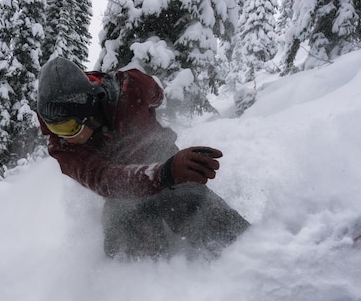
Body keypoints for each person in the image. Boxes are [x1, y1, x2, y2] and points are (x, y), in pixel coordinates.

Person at [36, 57, 249, 259]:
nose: (63, 136)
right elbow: (104, 179)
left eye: (68, 127)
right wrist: (164, 174)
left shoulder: (130, 87)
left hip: (167, 162)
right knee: (121, 241)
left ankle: (250, 253)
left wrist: (167, 166)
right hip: (124, 188)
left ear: (88, 112)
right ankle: (154, 288)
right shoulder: (62, 147)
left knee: (189, 203)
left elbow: (156, 94)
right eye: (54, 127)